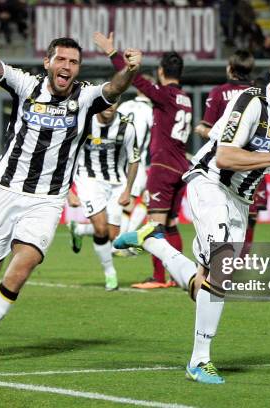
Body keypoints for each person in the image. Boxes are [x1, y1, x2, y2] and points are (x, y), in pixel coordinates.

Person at [115, 47, 270, 383]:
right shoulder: (251, 103)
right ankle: (199, 361)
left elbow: (261, 158)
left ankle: (153, 241)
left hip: (240, 199)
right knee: (221, 266)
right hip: (209, 182)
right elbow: (224, 157)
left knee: (205, 284)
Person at [0, 20, 141, 367]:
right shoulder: (26, 86)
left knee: (24, 266)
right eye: (61, 60)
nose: (67, 66)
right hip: (8, 191)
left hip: (48, 200)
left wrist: (128, 69)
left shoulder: (85, 97)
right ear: (48, 63)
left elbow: (114, 88)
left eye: (74, 61)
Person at [94, 32, 191, 290]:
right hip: (181, 165)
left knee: (154, 225)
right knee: (170, 224)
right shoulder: (186, 99)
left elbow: (135, 80)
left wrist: (113, 54)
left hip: (163, 165)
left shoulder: (165, 95)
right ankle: (176, 275)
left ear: (160, 71)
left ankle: (159, 278)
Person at [194, 49, 261, 255]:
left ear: (230, 68)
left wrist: (201, 130)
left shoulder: (218, 92)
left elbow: (210, 130)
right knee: (249, 214)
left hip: (224, 163)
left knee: (220, 214)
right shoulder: (259, 94)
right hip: (252, 163)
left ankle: (214, 261)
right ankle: (242, 258)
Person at [68, 103, 140, 290]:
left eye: (115, 101)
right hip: (88, 179)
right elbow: (66, 154)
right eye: (108, 101)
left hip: (117, 182)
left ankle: (79, 231)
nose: (111, 106)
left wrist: (128, 190)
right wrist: (69, 190)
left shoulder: (127, 126)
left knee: (112, 235)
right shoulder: (83, 122)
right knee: (100, 228)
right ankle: (110, 274)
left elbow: (134, 160)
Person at [116, 86, 154, 239]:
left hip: (119, 160)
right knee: (131, 202)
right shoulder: (151, 111)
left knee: (148, 197)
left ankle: (126, 238)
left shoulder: (124, 105)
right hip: (136, 161)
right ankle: (122, 242)